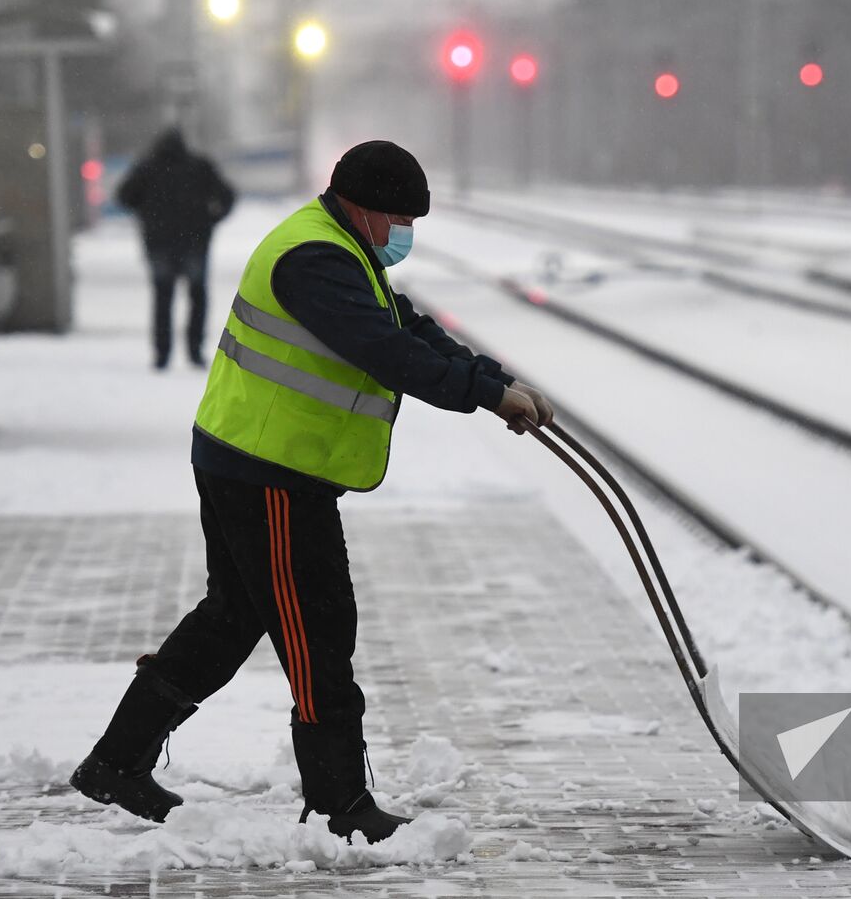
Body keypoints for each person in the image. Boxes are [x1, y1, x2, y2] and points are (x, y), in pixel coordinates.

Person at [71, 140, 553, 842]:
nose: (403, 233)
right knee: (318, 626)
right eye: (397, 217)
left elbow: (406, 326)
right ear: (362, 206)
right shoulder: (316, 258)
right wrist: (485, 395)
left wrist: (495, 379)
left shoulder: (337, 244)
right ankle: (342, 804)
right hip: (267, 469)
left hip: (252, 457)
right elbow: (385, 352)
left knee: (232, 619)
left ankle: (115, 763)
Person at [116, 128, 236, 369]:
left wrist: (146, 215)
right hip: (195, 241)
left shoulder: (147, 168)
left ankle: (162, 353)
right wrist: (212, 220)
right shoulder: (199, 167)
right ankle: (194, 350)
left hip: (159, 243)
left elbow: (124, 196)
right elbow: (228, 196)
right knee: (197, 296)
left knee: (162, 297)